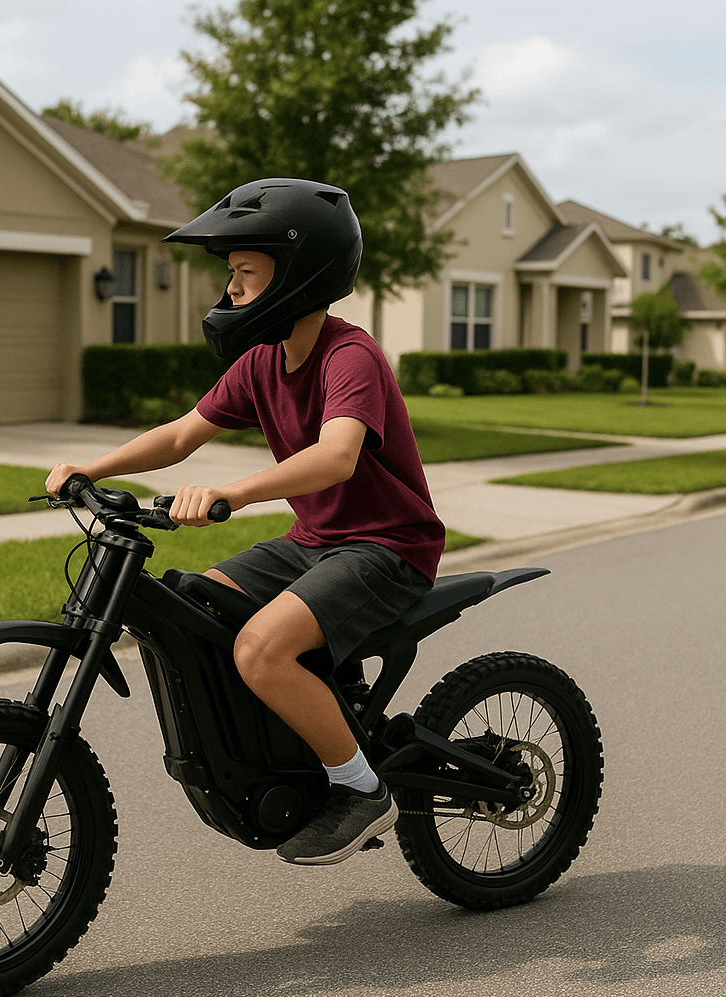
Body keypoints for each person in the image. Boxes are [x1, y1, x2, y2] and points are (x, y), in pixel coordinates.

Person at [46, 178, 446, 865]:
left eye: (244, 273)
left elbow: (338, 456)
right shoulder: (262, 361)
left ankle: (359, 789)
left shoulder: (351, 356)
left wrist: (231, 493)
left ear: (296, 274)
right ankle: (299, 738)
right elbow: (178, 436)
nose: (230, 288)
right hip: (314, 544)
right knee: (196, 609)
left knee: (259, 648)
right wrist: (93, 468)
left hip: (386, 548)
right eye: (229, 273)